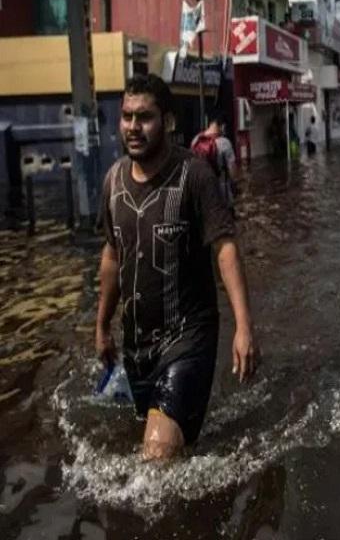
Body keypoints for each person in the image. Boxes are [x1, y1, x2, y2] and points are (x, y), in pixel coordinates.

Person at [95, 74, 258, 460]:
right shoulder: (113, 182)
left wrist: (244, 327)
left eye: (145, 117)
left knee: (155, 458)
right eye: (127, 117)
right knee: (170, 447)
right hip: (138, 348)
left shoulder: (194, 175)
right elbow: (112, 256)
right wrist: (101, 326)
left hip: (188, 339)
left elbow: (225, 248)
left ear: (167, 121)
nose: (134, 127)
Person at [191, 113, 238, 210]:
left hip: (201, 191)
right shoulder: (225, 143)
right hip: (221, 190)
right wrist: (234, 185)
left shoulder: (196, 140)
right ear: (222, 126)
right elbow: (232, 171)